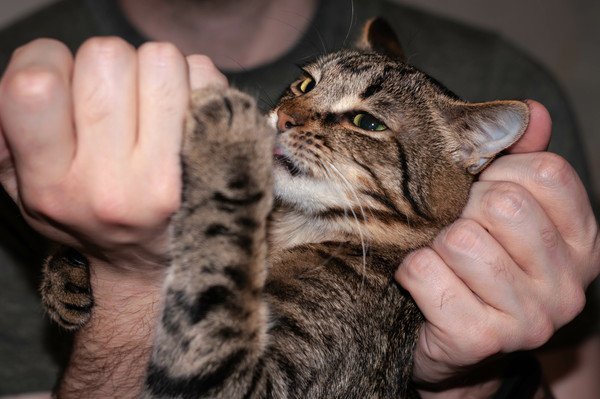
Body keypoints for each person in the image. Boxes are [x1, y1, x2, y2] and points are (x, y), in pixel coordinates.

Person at [0, 0, 598, 398]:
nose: (292, 116)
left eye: (362, 121)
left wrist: (482, 382)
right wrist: (115, 275)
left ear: (459, 164)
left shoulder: (369, 282)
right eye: (307, 85)